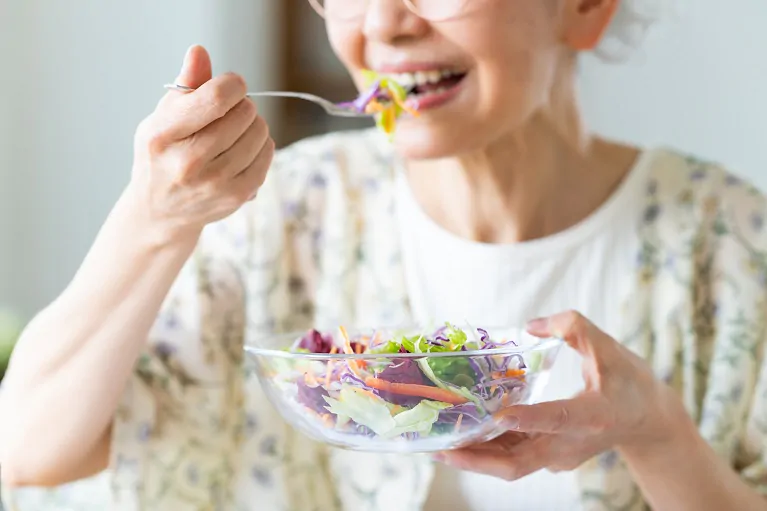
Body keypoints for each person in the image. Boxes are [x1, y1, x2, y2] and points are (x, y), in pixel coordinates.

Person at [2, 0, 767, 509]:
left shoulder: (733, 247)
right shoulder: (284, 217)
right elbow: (26, 449)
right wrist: (153, 219)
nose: (384, 25)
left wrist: (655, 430)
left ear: (584, 7)